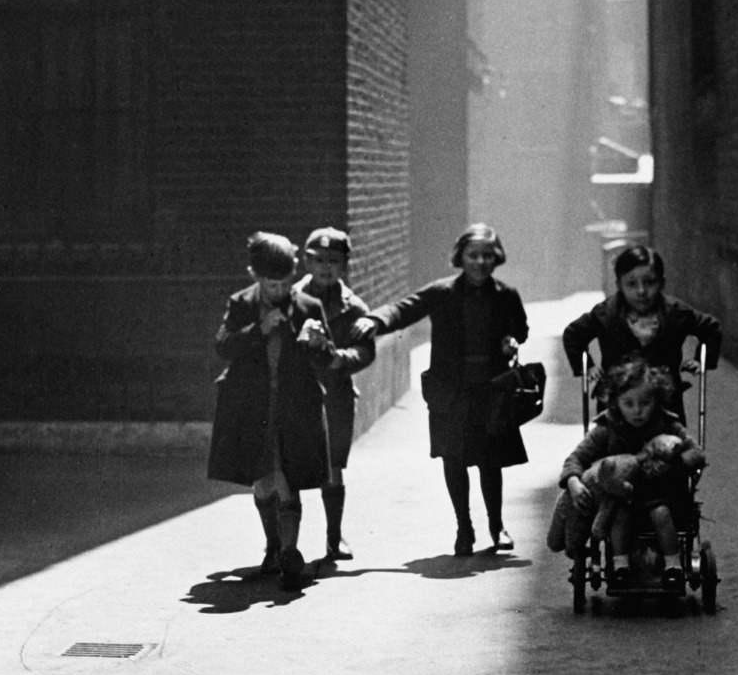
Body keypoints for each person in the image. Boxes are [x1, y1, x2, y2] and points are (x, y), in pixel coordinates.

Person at [351, 223, 529, 556]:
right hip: (452, 392)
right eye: (472, 255)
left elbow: (520, 328)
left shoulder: (506, 295)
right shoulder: (442, 292)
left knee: (490, 461)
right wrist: (376, 321)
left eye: (487, 256)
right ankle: (464, 528)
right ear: (460, 257)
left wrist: (511, 341)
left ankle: (497, 526)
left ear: (497, 258)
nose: (480, 262)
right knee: (454, 458)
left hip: (490, 390)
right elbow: (405, 308)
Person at [207, 231, 336, 591]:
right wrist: (257, 330)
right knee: (262, 478)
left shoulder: (309, 307)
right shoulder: (242, 304)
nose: (278, 290)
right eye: (270, 283)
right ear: (255, 275)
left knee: (288, 477)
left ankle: (291, 554)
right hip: (253, 407)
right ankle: (273, 546)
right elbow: (222, 347)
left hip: (294, 407)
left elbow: (328, 360)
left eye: (284, 283)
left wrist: (318, 342)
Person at [557, 357, 705, 583]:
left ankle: (673, 566)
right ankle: (621, 567)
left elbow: (696, 453)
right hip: (620, 498)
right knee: (620, 516)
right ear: (616, 403)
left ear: (657, 401)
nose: (638, 411)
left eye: (645, 403)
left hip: (661, 494)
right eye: (629, 404)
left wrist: (672, 463)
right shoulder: (608, 429)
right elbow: (576, 458)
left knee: (661, 513)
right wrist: (573, 482)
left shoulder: (667, 424)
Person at [562, 245, 721, 422]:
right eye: (631, 284)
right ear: (619, 285)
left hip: (665, 404)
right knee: (614, 444)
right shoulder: (605, 315)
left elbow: (710, 328)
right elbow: (573, 334)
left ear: (661, 282)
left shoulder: (676, 314)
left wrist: (701, 360)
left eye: (649, 282)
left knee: (670, 445)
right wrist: (587, 366)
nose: (641, 291)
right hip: (618, 403)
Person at [294, 226, 375, 564]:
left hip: (336, 393)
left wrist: (343, 358)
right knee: (291, 465)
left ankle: (333, 536)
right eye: (318, 260)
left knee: (333, 466)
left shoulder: (353, 306)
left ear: (344, 266)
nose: (326, 267)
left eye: (334, 261)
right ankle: (285, 545)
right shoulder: (294, 298)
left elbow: (366, 351)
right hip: (298, 393)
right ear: (307, 262)